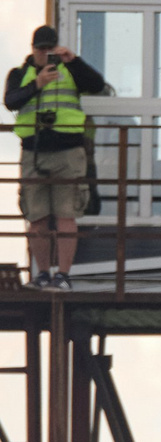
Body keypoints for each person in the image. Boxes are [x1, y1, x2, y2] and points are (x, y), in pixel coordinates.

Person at [7, 26, 108, 289]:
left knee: (66, 215)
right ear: (33, 49)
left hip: (68, 152)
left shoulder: (70, 69)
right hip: (35, 152)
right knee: (36, 217)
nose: (45, 53)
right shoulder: (19, 74)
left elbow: (97, 85)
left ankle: (63, 275)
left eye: (50, 48)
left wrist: (74, 60)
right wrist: (37, 84)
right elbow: (11, 100)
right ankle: (42, 274)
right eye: (41, 49)